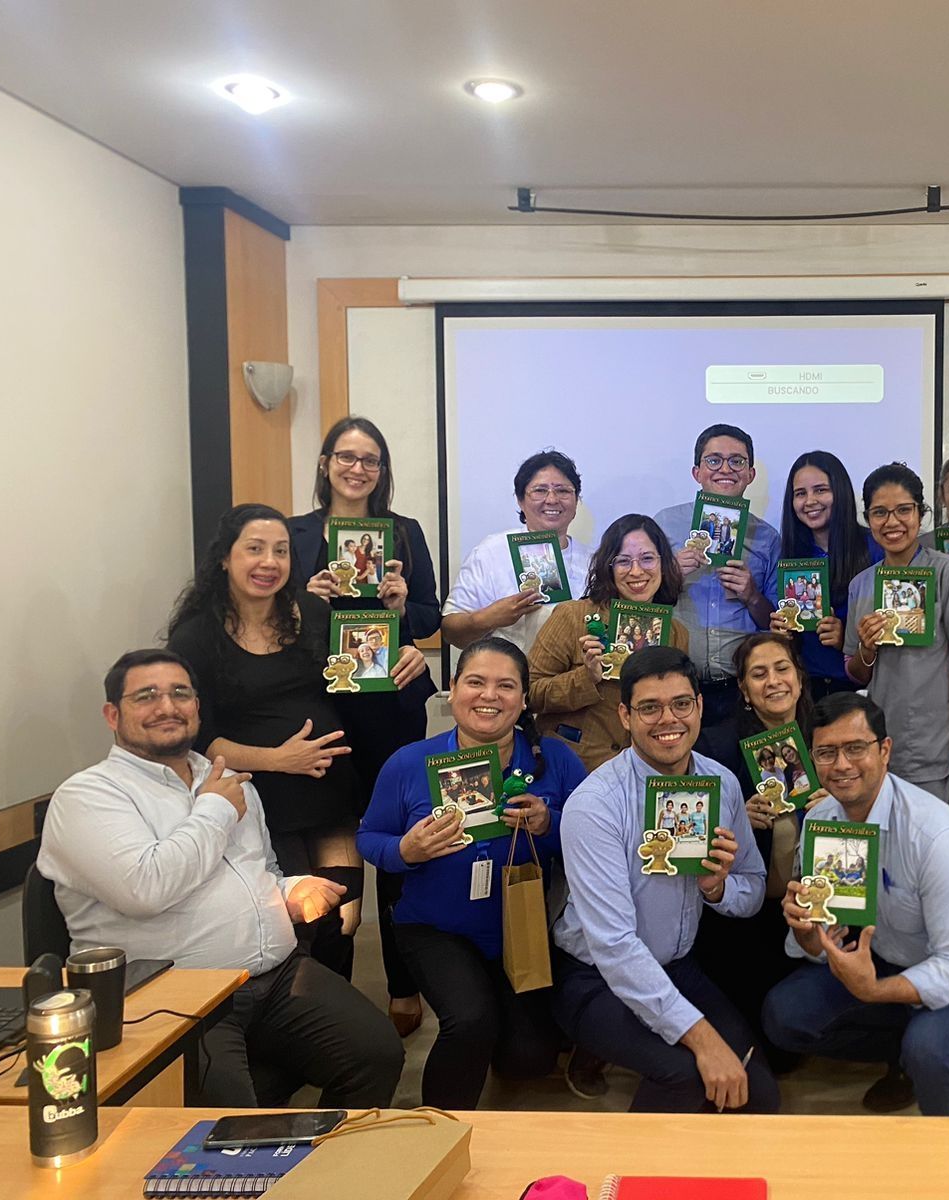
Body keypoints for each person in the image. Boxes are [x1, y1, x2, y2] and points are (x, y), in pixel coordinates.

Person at [37, 649, 403, 1108]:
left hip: (277, 976)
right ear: (113, 715)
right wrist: (213, 808)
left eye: (180, 694)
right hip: (174, 995)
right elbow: (145, 888)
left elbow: (260, 870)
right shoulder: (88, 795)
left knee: (378, 1053)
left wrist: (292, 891)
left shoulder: (230, 780)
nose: (167, 706)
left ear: (197, 707)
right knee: (226, 1129)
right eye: (146, 696)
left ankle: (323, 1168)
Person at [166, 504, 428, 979]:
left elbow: (364, 669)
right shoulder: (194, 637)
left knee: (341, 921)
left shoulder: (310, 612)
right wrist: (279, 758)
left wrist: (404, 650)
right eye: (255, 549)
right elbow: (193, 737)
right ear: (225, 557)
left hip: (330, 794)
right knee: (290, 925)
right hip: (259, 803)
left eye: (281, 551)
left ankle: (336, 1031)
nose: (269, 561)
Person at [761, 693, 949, 1116]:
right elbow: (820, 944)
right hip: (887, 955)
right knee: (785, 1014)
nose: (842, 765)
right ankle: (908, 1045)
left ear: (885, 750)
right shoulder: (823, 820)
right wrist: (804, 928)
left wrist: (874, 990)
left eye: (855, 748)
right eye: (827, 752)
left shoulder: (935, 836)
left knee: (932, 1051)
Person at [359, 636, 587, 1109]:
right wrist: (407, 849)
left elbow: (594, 841)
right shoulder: (409, 762)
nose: (489, 696)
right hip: (435, 927)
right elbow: (369, 839)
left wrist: (550, 825)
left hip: (519, 927)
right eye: (476, 682)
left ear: (524, 699)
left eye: (506, 686)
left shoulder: (557, 760)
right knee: (470, 1021)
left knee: (531, 1058)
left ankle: (502, 1034)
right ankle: (435, 1133)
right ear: (453, 687)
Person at [551, 646, 779, 1113]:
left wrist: (717, 889)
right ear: (625, 715)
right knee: (691, 1078)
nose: (667, 720)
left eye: (680, 704)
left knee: (757, 1096)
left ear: (698, 706)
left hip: (677, 968)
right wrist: (702, 1040)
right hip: (596, 978)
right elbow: (614, 946)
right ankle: (626, 1182)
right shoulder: (594, 805)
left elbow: (753, 887)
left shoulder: (722, 784)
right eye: (649, 708)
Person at [286, 416, 441, 1014]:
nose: (357, 469)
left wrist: (404, 613)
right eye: (346, 457)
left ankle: (404, 985)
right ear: (326, 464)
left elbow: (430, 618)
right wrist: (307, 598)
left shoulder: (403, 533)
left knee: (398, 846)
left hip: (389, 710)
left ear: (383, 470)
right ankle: (332, 999)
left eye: (370, 459)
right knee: (334, 851)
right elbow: (274, 623)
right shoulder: (296, 535)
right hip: (321, 710)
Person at [693, 633, 824, 1070]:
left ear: (800, 679)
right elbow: (693, 836)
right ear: (744, 691)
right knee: (767, 1054)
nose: (773, 681)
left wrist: (840, 808)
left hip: (813, 912)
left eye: (782, 668)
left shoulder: (828, 741)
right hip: (745, 919)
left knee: (792, 1042)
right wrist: (732, 819)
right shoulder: (717, 748)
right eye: (758, 674)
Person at [842, 463, 949, 813]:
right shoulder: (862, 584)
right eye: (880, 513)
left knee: (941, 857)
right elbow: (856, 672)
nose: (892, 522)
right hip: (882, 750)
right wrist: (866, 647)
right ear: (868, 518)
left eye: (903, 510)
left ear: (921, 514)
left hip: (943, 750)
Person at [527, 514, 690, 770]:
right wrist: (586, 677)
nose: (637, 571)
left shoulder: (675, 633)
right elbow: (530, 693)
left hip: (643, 769)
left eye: (647, 558)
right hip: (574, 766)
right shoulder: (573, 616)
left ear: (663, 563)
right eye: (623, 561)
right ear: (608, 567)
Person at [656, 424, 781, 726]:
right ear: (696, 472)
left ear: (750, 474)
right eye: (714, 460)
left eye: (737, 461)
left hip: (740, 692)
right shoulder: (663, 524)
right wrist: (668, 575)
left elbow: (778, 623)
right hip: (674, 689)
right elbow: (637, 603)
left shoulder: (767, 537)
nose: (725, 469)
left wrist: (752, 595)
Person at [443, 450, 595, 654]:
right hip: (510, 678)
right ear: (520, 500)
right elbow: (451, 630)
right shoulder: (491, 552)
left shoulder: (594, 561)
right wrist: (488, 619)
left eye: (563, 491)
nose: (552, 499)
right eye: (540, 490)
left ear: (576, 500)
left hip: (573, 682)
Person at [772, 451, 879, 699]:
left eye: (820, 490)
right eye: (800, 494)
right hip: (806, 688)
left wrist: (848, 640)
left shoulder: (874, 547)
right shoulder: (789, 556)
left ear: (839, 492)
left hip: (862, 688)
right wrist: (781, 635)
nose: (810, 501)